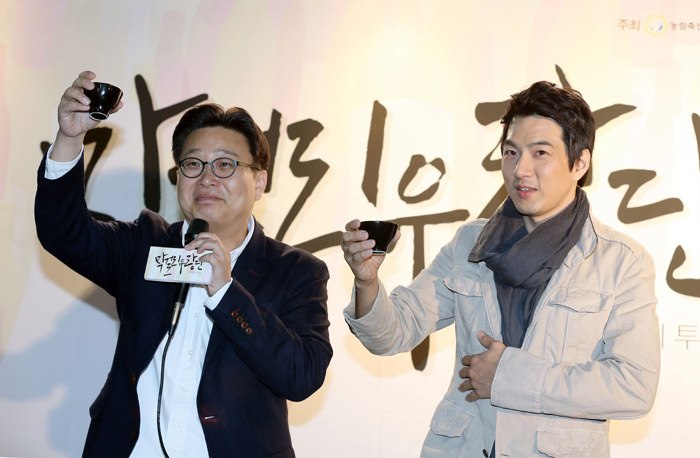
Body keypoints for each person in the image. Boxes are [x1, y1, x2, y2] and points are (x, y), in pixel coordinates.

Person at [341, 81, 660, 457]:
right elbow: (394, 333)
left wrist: (508, 376)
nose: (520, 169)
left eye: (540, 152)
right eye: (511, 152)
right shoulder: (470, 243)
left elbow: (633, 387)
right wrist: (367, 282)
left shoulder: (621, 261)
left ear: (580, 163)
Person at [35, 71, 332, 458]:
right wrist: (71, 138)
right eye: (193, 164)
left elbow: (301, 376)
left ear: (259, 183)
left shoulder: (296, 270)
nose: (206, 178)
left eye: (225, 165)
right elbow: (63, 232)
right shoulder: (146, 243)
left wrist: (226, 292)